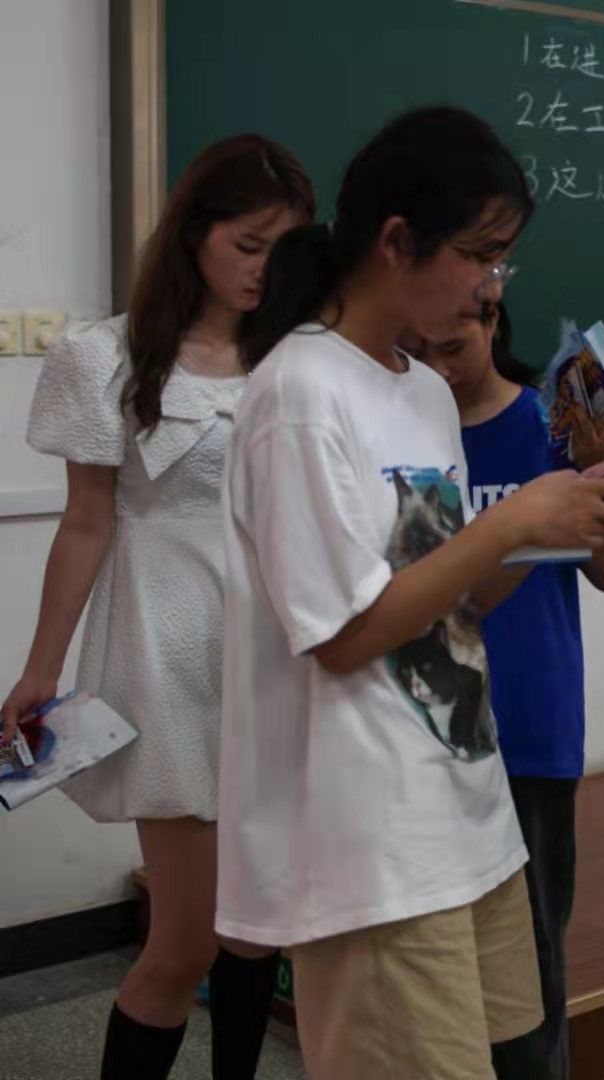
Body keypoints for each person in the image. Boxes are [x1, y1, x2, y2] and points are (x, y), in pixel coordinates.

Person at [220, 106, 604, 1080]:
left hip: (460, 809)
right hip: (369, 844)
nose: (490, 288)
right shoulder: (298, 394)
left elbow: (436, 608)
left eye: (504, 263)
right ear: (395, 241)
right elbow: (343, 634)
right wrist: (510, 525)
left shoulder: (416, 390)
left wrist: (550, 525)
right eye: (478, 255)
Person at [0, 134, 314, 1080]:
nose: (267, 270)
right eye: (248, 245)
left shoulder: (300, 356)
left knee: (261, 931)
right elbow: (87, 524)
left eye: (283, 249)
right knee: (185, 942)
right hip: (165, 649)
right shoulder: (105, 353)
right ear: (193, 236)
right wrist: (40, 671)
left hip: (281, 653)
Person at [406, 301, 604, 1079]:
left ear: (491, 320)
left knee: (534, 961)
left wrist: (596, 472)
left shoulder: (550, 423)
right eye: (420, 347)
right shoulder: (404, 432)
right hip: (427, 726)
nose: (438, 363)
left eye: (453, 343)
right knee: (437, 958)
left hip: (531, 724)